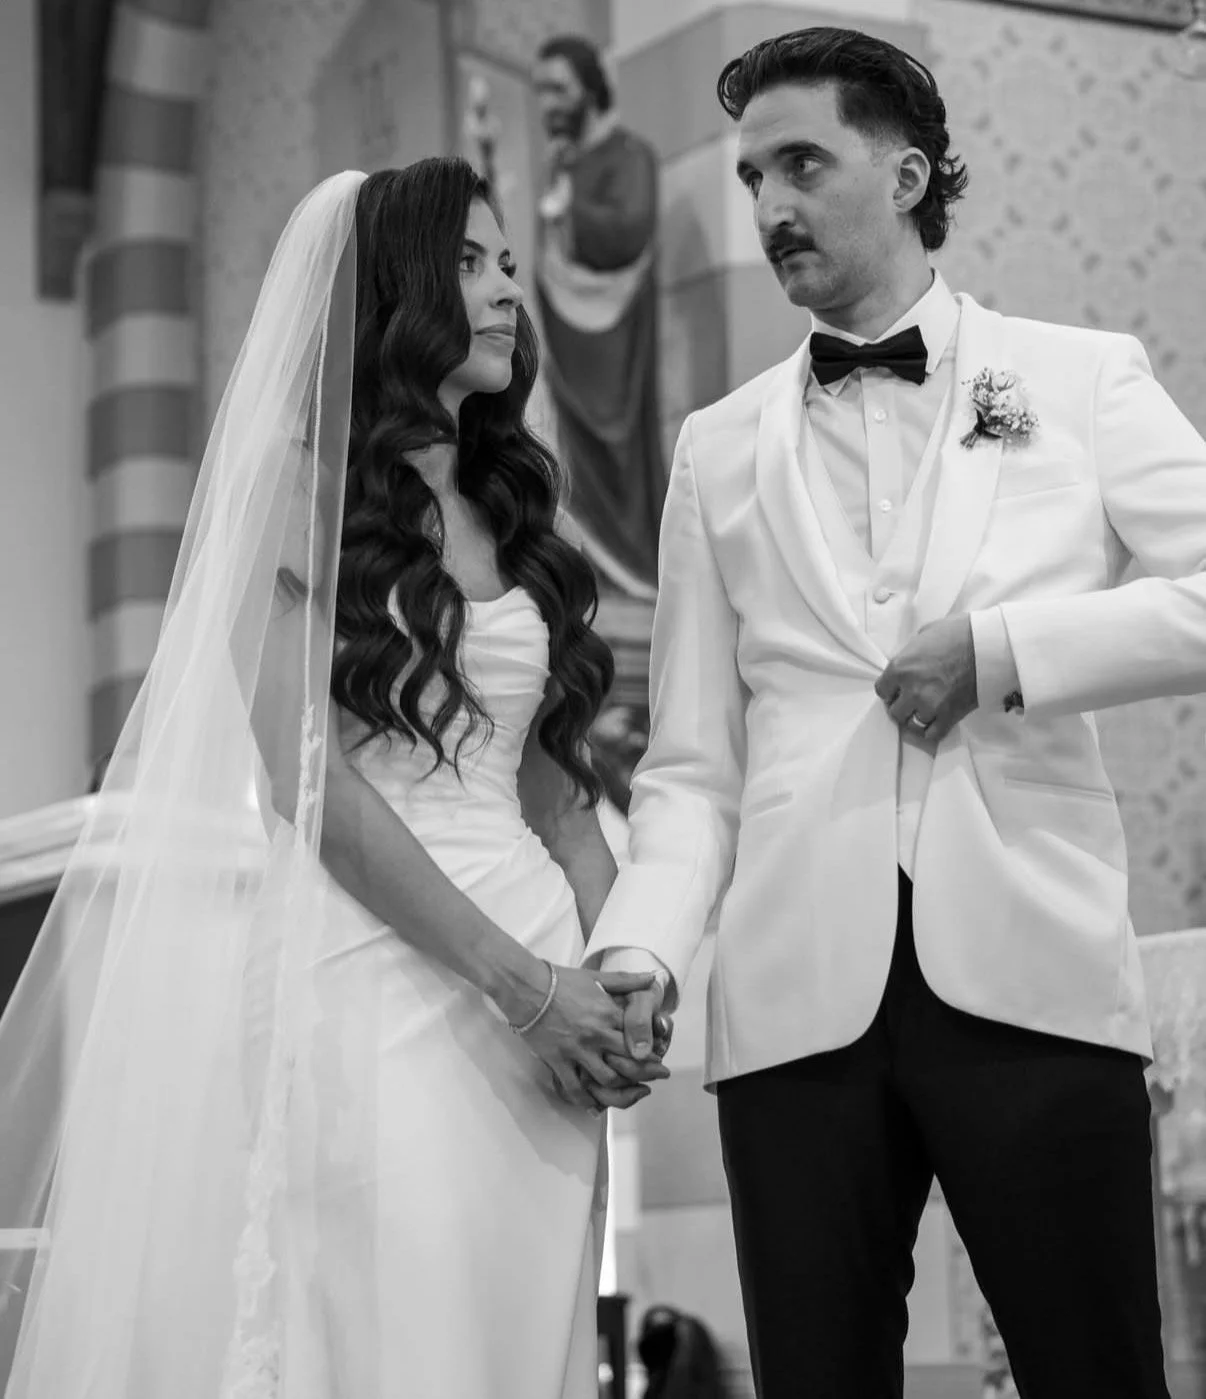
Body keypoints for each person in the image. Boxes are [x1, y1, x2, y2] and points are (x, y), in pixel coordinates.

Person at [588, 25, 1206, 1399]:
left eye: (801, 162)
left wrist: (1000, 649)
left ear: (910, 169)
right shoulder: (714, 445)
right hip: (792, 997)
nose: (768, 207)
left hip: (1032, 967)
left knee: (1093, 1370)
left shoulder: (1075, 378)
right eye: (751, 175)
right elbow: (691, 762)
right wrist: (639, 946)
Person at [0, 159, 668, 1399]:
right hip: (377, 968)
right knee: (399, 1335)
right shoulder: (296, 500)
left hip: (546, 989)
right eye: (470, 263)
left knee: (531, 1343)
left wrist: (622, 970)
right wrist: (523, 987)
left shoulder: (515, 514)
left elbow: (562, 799)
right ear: (397, 294)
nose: (506, 290)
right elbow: (320, 793)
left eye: (509, 262)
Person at [532, 34, 665, 598]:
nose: (547, 103)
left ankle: (633, 571)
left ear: (591, 88)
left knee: (616, 449)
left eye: (559, 89)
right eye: (541, 91)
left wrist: (571, 212)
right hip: (565, 344)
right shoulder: (563, 164)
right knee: (564, 453)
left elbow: (630, 227)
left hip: (612, 342)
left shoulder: (630, 155)